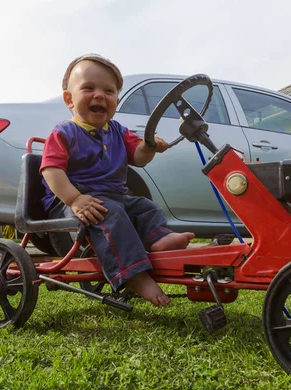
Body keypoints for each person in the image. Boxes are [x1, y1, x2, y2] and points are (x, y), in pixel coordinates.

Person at [40, 54, 195, 307]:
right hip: (74, 199)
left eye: (108, 91)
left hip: (115, 197)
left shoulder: (118, 131)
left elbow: (139, 156)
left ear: (116, 101)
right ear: (69, 99)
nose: (99, 95)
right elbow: (51, 171)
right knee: (108, 212)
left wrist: (149, 145)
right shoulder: (63, 133)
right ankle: (134, 276)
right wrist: (75, 199)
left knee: (144, 206)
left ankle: (158, 240)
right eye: (89, 88)